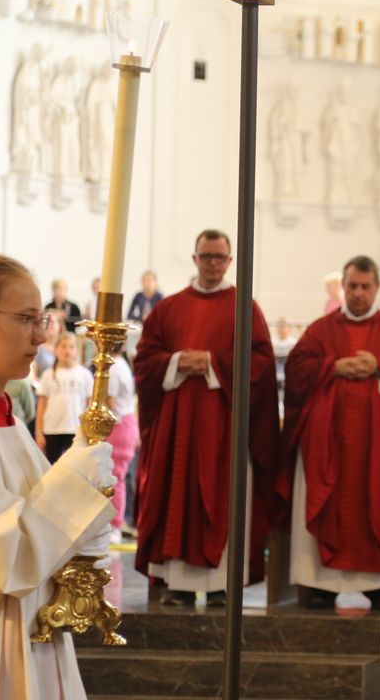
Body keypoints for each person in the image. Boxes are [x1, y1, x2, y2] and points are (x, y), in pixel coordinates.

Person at [0, 252, 115, 699]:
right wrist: (76, 482)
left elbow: (50, 542)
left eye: (43, 320)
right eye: (26, 318)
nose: (40, 335)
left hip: (32, 641)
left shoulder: (7, 423)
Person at [133, 229, 279, 607]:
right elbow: (146, 360)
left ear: (229, 262)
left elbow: (261, 362)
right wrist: (176, 361)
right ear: (195, 259)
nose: (213, 264)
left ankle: (219, 586)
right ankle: (179, 585)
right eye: (206, 256)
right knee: (175, 493)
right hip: (175, 426)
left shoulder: (245, 307)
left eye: (220, 257)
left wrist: (214, 363)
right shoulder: (169, 308)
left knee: (221, 496)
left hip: (224, 428)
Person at [281, 256, 380, 615]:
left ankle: (379, 587)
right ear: (342, 288)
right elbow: (297, 369)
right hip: (328, 446)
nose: (358, 293)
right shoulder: (321, 330)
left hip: (375, 448)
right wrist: (331, 367)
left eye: (365, 286)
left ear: (376, 288)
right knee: (329, 503)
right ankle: (321, 585)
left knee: (377, 501)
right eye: (352, 286)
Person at [34, 332, 93, 464]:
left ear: (77, 350)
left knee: (75, 468)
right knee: (52, 468)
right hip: (52, 429)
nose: (67, 350)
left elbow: (89, 405)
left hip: (76, 430)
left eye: (71, 347)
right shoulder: (48, 375)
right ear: (56, 350)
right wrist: (39, 432)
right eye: (63, 346)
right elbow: (42, 405)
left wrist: (88, 432)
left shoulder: (85, 375)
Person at [106, 345, 138, 544]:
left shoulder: (114, 368)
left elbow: (109, 402)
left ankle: (115, 525)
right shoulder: (121, 364)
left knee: (115, 477)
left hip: (118, 425)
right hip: (124, 424)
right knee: (116, 477)